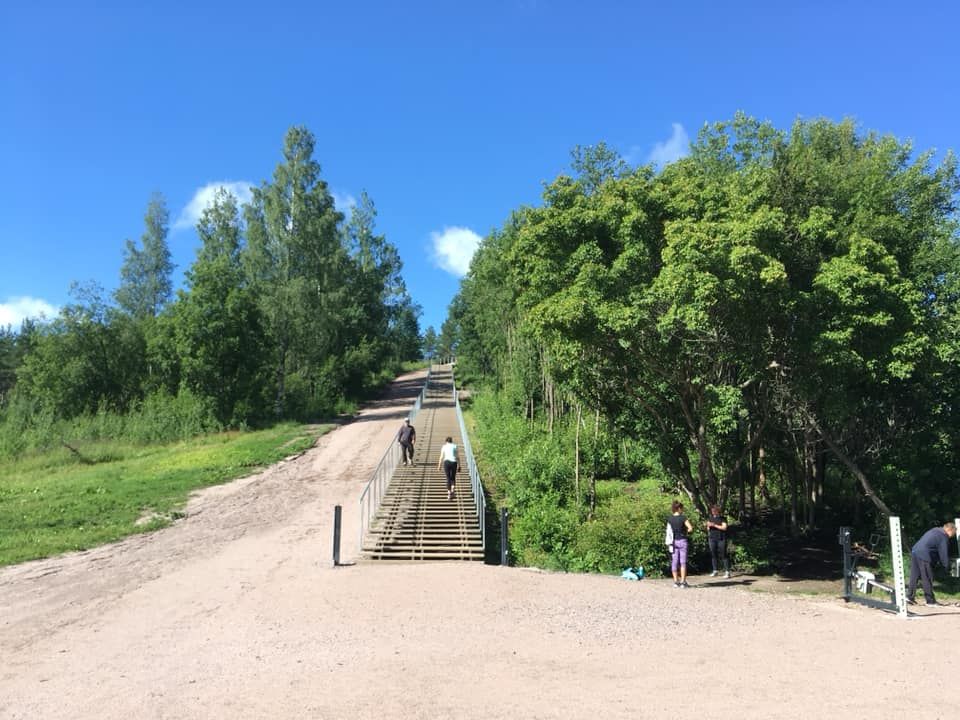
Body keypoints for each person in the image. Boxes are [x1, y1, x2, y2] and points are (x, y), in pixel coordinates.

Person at [906, 522, 956, 606]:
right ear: (949, 530)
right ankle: (930, 601)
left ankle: (909, 596)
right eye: (953, 534)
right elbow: (943, 553)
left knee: (914, 576)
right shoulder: (943, 536)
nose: (952, 536)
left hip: (915, 551)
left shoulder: (935, 530)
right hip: (924, 554)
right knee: (927, 577)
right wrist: (947, 566)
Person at [667, 500, 694, 588]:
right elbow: (690, 528)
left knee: (674, 562)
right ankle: (683, 582)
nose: (682, 510)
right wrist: (687, 531)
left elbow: (669, 531)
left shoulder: (670, 519)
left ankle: (676, 582)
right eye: (682, 508)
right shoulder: (683, 518)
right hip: (682, 540)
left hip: (673, 542)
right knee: (683, 562)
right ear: (678, 508)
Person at [706, 504, 730, 578]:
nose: (713, 512)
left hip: (721, 538)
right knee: (713, 554)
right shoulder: (710, 518)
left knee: (723, 554)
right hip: (712, 538)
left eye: (714, 510)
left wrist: (714, 525)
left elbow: (724, 527)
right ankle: (715, 570)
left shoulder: (722, 518)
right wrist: (708, 526)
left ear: (717, 511)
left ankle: (727, 572)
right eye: (712, 510)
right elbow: (708, 528)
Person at [437, 436, 458, 500]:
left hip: (446, 462)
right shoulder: (455, 446)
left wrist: (439, 466)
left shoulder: (444, 446)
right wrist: (459, 465)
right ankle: (453, 490)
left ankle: (449, 493)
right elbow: (457, 457)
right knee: (453, 477)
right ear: (451, 441)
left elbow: (441, 457)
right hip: (454, 462)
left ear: (446, 441)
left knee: (448, 478)